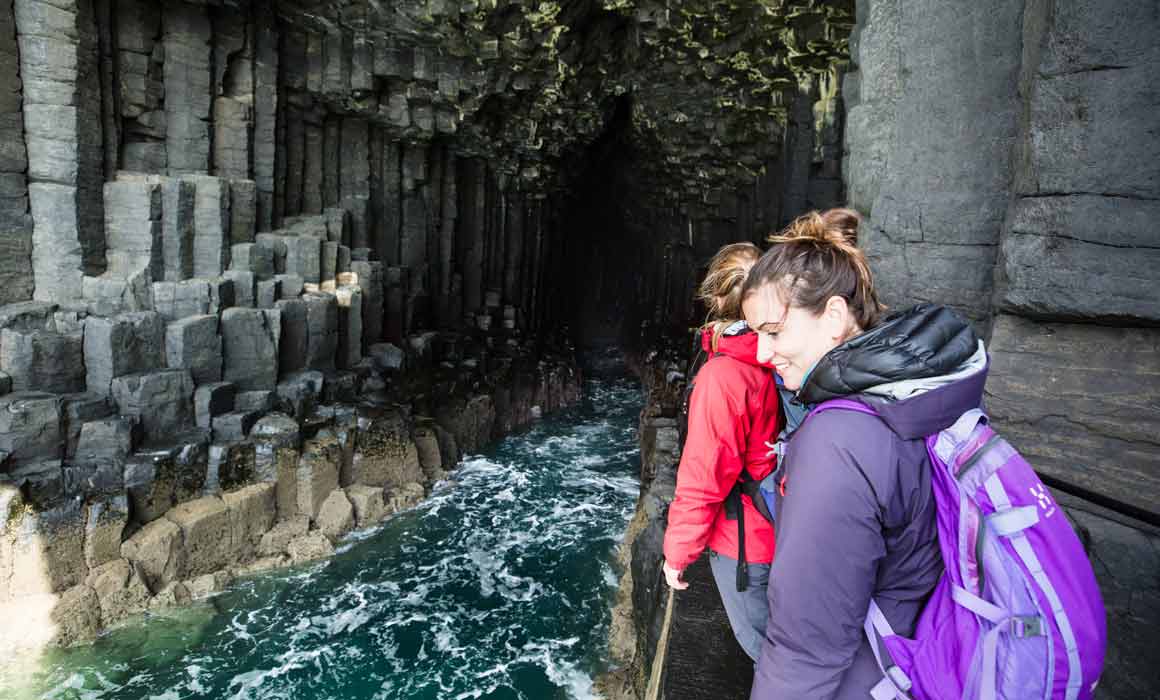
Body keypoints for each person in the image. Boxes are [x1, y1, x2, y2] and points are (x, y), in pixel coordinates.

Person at [742, 208, 984, 699]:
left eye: (773, 330)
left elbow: (804, 649)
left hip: (872, 673)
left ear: (833, 317)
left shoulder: (836, 442)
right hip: (924, 647)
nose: (764, 355)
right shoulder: (911, 391)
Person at [661, 242, 782, 662]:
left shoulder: (724, 375)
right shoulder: (780, 354)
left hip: (745, 542)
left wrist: (678, 552)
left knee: (766, 652)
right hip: (780, 523)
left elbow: (705, 474)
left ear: (714, 298)